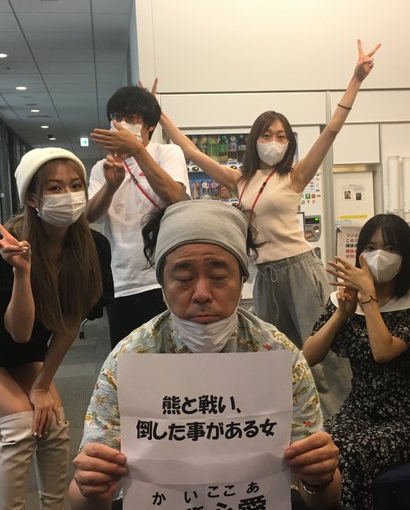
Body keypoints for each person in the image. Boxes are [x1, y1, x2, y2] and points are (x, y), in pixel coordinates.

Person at [67, 200, 342, 510]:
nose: (201, 294)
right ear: (161, 282)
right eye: (183, 279)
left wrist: (319, 477)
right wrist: (92, 487)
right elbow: (81, 502)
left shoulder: (279, 356)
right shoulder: (130, 359)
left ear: (242, 278)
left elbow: (325, 501)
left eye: (219, 276)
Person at [157, 39, 380, 350]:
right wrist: (159, 114)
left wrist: (356, 79)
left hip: (299, 268)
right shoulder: (240, 180)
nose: (274, 141)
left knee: (321, 346)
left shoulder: (295, 176)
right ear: (255, 140)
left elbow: (331, 130)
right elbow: (193, 152)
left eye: (281, 136)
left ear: (289, 143)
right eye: (266, 135)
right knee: (271, 348)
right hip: (264, 274)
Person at [0, 148, 113, 509]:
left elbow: (69, 322)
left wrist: (43, 385)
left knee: (54, 423)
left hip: (25, 349)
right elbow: (18, 330)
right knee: (19, 425)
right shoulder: (11, 244)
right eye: (55, 188)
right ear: (32, 198)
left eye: (76, 185)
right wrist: (21, 271)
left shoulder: (94, 246)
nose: (68, 195)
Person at [303, 214, 410, 509]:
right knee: (318, 448)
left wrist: (368, 299)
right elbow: (310, 355)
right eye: (370, 246)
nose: (380, 255)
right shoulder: (344, 300)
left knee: (351, 453)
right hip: (359, 411)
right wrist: (342, 313)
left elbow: (383, 351)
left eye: (391, 248)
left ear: (405, 256)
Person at [87, 85, 190, 349]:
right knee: (128, 358)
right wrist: (110, 186)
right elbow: (89, 215)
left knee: (173, 354)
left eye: (132, 118)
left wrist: (137, 151)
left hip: (166, 276)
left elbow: (175, 197)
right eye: (117, 117)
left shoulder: (167, 153)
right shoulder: (101, 167)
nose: (122, 124)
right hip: (122, 279)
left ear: (150, 125)